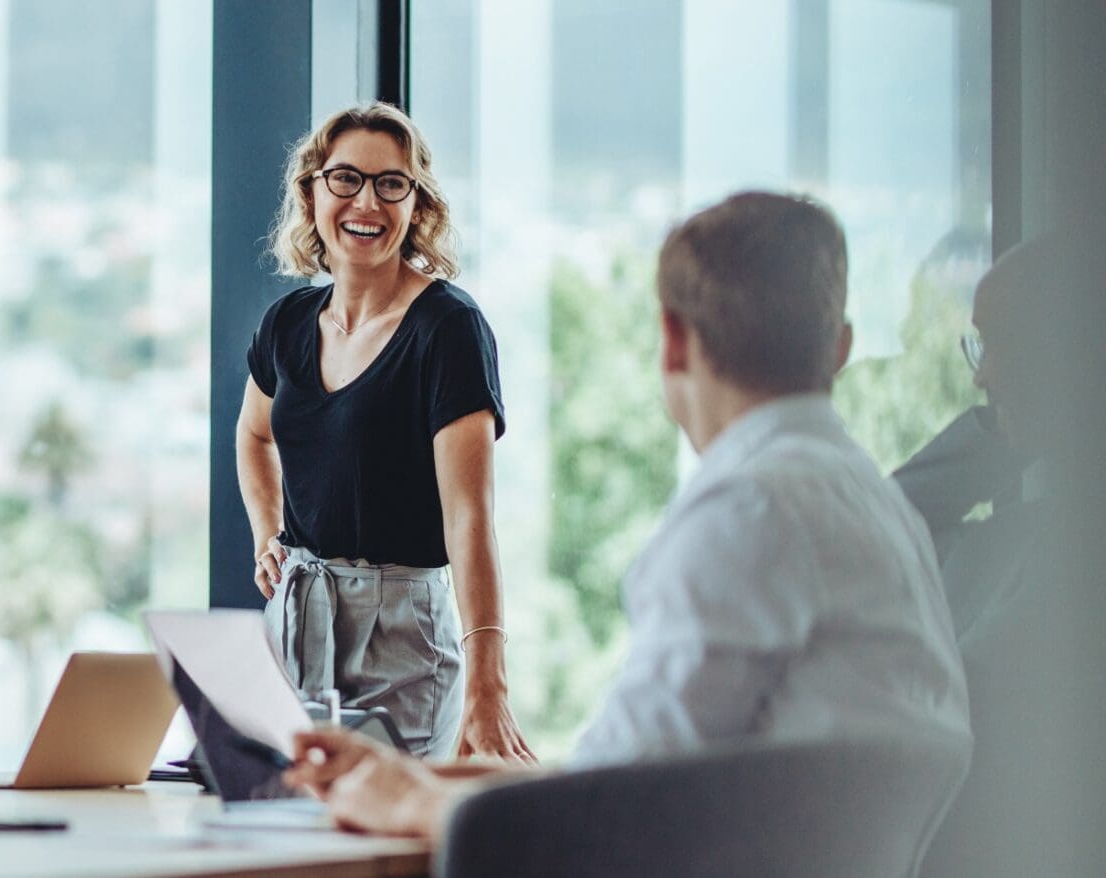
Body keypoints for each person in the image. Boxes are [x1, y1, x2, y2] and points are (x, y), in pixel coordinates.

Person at [284, 192, 972, 840]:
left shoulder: (748, 511)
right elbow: (643, 769)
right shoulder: (876, 505)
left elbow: (611, 813)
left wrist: (408, 801)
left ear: (672, 341)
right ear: (840, 347)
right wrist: (427, 776)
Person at [237, 102, 530, 761]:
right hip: (293, 619)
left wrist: (490, 682)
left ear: (416, 204)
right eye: (345, 178)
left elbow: (470, 518)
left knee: (386, 848)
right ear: (312, 191)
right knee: (287, 839)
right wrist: (266, 535)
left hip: (400, 635)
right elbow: (254, 436)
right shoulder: (286, 323)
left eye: (390, 183)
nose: (365, 202)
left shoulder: (448, 329)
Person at [912, 232, 1106, 878]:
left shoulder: (1074, 550)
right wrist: (1001, 431)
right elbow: (888, 526)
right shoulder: (1018, 531)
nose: (980, 375)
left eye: (1002, 345)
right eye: (981, 345)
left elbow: (957, 697)